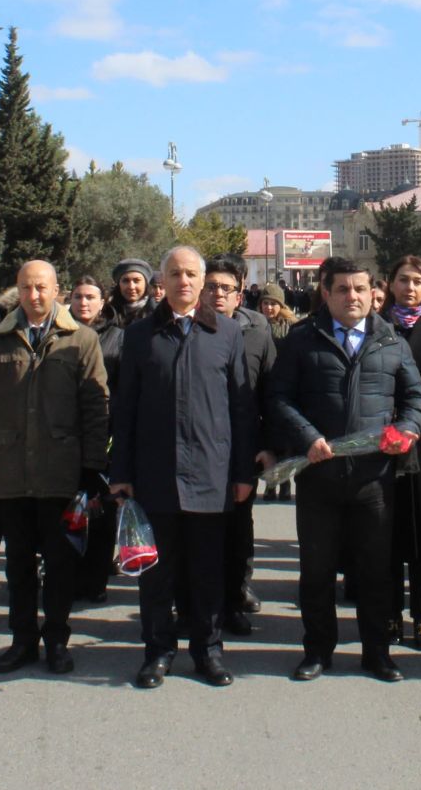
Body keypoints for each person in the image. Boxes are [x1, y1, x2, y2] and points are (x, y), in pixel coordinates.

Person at [268, 258, 421, 683]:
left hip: (374, 480)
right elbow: (279, 398)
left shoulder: (390, 340)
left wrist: (408, 428)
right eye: (343, 289)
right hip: (319, 477)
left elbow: (415, 397)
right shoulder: (303, 340)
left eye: (360, 289)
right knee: (316, 571)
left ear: (373, 292)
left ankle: (377, 652)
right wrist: (307, 437)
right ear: (326, 292)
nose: (352, 297)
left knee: (375, 571)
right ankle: (318, 650)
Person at [109, 247, 258, 689]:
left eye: (192, 274)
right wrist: (121, 472)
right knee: (157, 573)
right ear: (164, 280)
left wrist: (243, 473)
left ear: (202, 279)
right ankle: (157, 652)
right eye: (175, 274)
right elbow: (125, 410)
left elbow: (242, 409)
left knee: (208, 571)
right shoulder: (139, 336)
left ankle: (208, 651)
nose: (184, 282)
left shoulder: (228, 334)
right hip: (155, 474)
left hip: (212, 475)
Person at [0, 261, 109, 674]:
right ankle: (22, 640)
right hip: (11, 473)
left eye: (42, 287)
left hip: (61, 475)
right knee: (18, 566)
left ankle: (57, 641)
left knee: (61, 566)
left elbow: (96, 407)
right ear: (18, 290)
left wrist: (91, 467)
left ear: (57, 290)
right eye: (27, 288)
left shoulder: (80, 340)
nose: (35, 295)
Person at [202, 254, 276, 637]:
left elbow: (271, 393)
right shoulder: (188, 330)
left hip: (241, 448)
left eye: (225, 288)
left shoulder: (258, 332)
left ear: (239, 293)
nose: (217, 295)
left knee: (238, 532)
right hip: (197, 449)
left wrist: (267, 445)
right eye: (210, 286)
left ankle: (233, 598)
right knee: (197, 534)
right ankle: (196, 606)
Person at [381, 255, 421, 651]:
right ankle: (390, 615)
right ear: (390, 284)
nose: (410, 288)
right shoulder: (377, 328)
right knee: (387, 531)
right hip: (383, 440)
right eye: (403, 280)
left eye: (418, 282)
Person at [69, 276, 118, 605]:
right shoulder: (59, 335)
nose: (84, 303)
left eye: (91, 297)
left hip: (107, 435)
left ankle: (96, 579)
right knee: (67, 511)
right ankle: (66, 573)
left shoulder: (120, 338)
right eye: (78, 297)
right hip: (65, 437)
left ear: (103, 302)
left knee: (102, 513)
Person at [258, 282, 299, 503]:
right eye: (265, 303)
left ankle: (284, 484)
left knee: (285, 445)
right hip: (263, 390)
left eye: (273, 303)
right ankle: (270, 484)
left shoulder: (291, 327)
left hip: (284, 390)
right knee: (268, 444)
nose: (269, 308)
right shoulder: (256, 325)